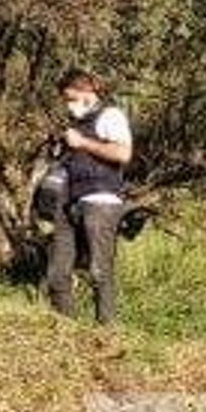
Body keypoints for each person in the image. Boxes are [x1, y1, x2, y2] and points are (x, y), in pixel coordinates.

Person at [43, 69, 134, 324]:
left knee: (99, 271)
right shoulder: (75, 125)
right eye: (66, 100)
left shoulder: (111, 116)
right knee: (57, 274)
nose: (68, 105)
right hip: (69, 201)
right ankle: (66, 332)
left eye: (70, 99)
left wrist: (82, 143)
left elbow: (123, 154)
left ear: (86, 92)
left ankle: (107, 333)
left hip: (101, 201)